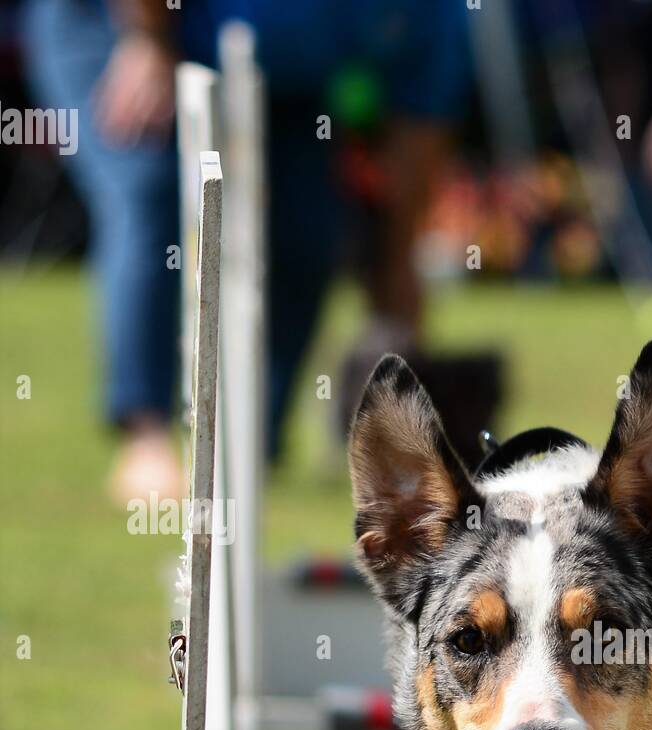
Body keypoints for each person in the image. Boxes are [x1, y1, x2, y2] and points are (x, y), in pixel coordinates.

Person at [19, 0, 473, 502]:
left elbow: (417, 132)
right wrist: (147, 39)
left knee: (309, 229)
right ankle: (145, 436)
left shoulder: (433, 15)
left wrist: (396, 283)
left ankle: (252, 440)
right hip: (117, 23)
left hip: (285, 75)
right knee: (149, 192)